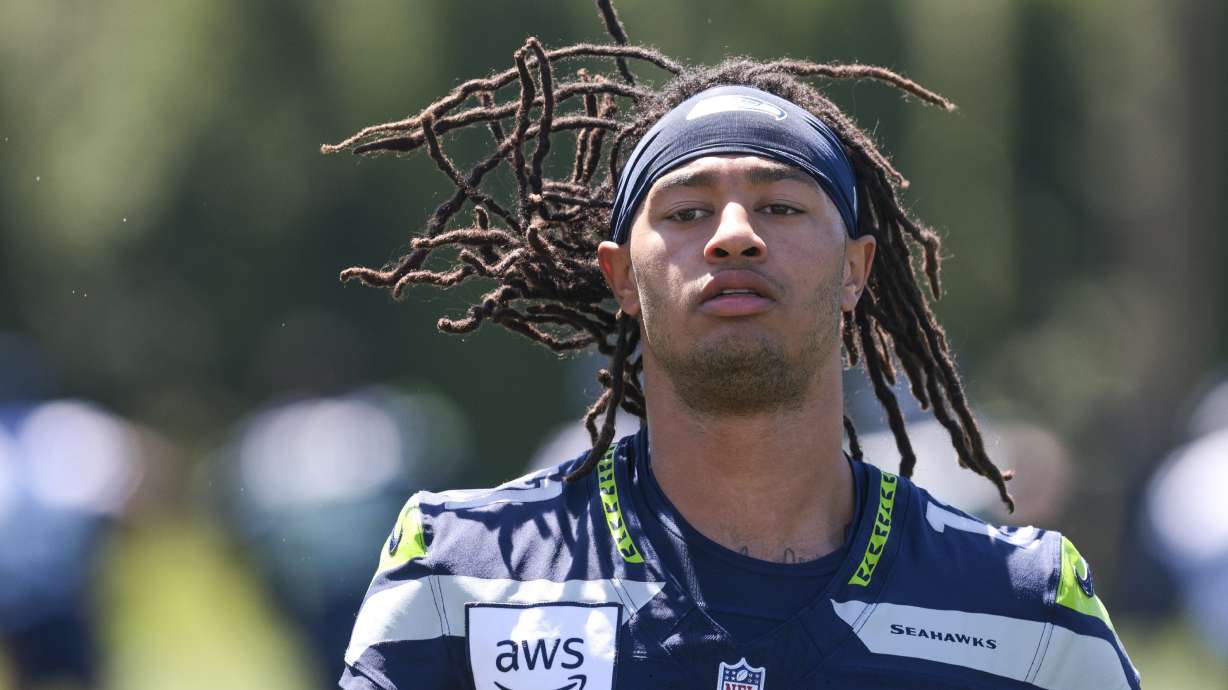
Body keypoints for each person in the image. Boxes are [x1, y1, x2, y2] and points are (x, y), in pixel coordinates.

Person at [323, 2, 1139, 687]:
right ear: (620, 277)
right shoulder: (462, 573)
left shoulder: (1025, 604)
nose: (735, 236)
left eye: (782, 206)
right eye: (686, 212)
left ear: (857, 269)